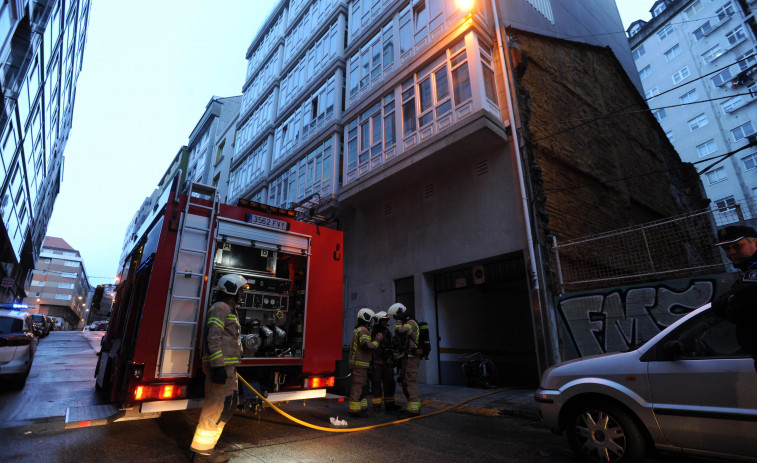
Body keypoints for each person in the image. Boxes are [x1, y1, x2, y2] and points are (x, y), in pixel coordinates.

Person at [190, 274, 249, 463]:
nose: (242, 294)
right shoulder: (220, 308)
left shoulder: (230, 309)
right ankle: (202, 454)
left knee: (228, 407)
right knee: (214, 408)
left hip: (229, 368)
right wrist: (217, 366)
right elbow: (212, 337)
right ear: (231, 289)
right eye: (240, 290)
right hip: (221, 368)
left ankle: (208, 447)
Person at [712, 225, 757, 372]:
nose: (731, 252)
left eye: (738, 246)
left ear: (755, 243)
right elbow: (719, 305)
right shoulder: (748, 271)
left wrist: (733, 300)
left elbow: (739, 309)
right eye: (726, 248)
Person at [387, 302, 421, 417]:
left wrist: (398, 322)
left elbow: (400, 332)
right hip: (408, 358)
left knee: (410, 383)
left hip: (412, 359)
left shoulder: (411, 323)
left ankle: (413, 410)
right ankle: (411, 407)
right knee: (406, 382)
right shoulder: (408, 323)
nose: (395, 319)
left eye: (396, 316)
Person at [348, 308, 382, 417]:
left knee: (362, 387)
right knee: (358, 387)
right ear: (367, 318)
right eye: (371, 319)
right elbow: (367, 346)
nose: (372, 322)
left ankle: (361, 408)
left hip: (360, 364)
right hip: (359, 365)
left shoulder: (360, 329)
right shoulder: (363, 330)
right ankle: (354, 411)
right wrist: (377, 340)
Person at [369, 311, 401, 412]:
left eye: (386, 320)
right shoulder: (372, 332)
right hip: (376, 363)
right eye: (383, 320)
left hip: (387, 363)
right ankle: (376, 406)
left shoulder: (387, 331)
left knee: (390, 384)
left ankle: (390, 405)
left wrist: (394, 359)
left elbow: (391, 346)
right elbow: (370, 347)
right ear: (378, 321)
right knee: (376, 385)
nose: (385, 322)